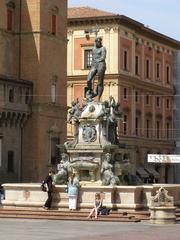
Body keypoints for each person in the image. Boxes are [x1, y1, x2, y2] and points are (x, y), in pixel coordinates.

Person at [86, 37, 106, 102]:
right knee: (89, 79)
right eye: (97, 42)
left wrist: (96, 61)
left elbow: (103, 57)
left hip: (101, 64)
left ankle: (98, 98)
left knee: (100, 82)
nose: (98, 43)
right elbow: (93, 57)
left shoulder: (103, 48)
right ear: (95, 42)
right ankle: (91, 91)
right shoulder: (93, 49)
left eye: (99, 42)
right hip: (94, 65)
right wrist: (92, 64)